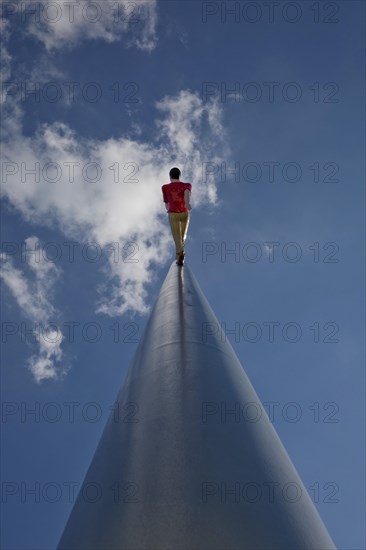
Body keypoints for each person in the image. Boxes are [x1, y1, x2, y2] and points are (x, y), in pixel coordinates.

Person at [162, 167, 192, 266]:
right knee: (183, 237)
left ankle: (179, 255)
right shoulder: (186, 185)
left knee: (177, 237)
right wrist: (187, 203)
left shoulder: (165, 187)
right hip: (184, 213)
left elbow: (166, 204)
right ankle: (181, 255)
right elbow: (186, 192)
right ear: (179, 176)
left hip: (173, 214)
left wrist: (169, 208)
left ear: (170, 177)